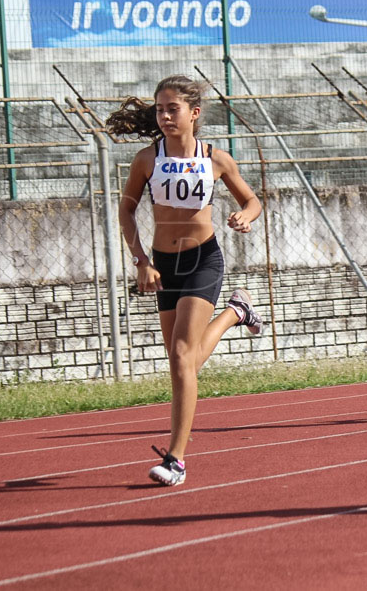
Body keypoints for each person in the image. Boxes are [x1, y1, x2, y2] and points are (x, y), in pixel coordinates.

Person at [111, 75, 264, 486]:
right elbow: (126, 212)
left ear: (194, 113)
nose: (163, 116)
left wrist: (244, 217)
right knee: (184, 362)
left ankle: (176, 459)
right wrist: (141, 259)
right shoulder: (146, 159)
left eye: (172, 109)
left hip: (202, 260)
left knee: (181, 359)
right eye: (159, 109)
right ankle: (236, 312)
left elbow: (252, 200)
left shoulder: (216, 159)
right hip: (163, 264)